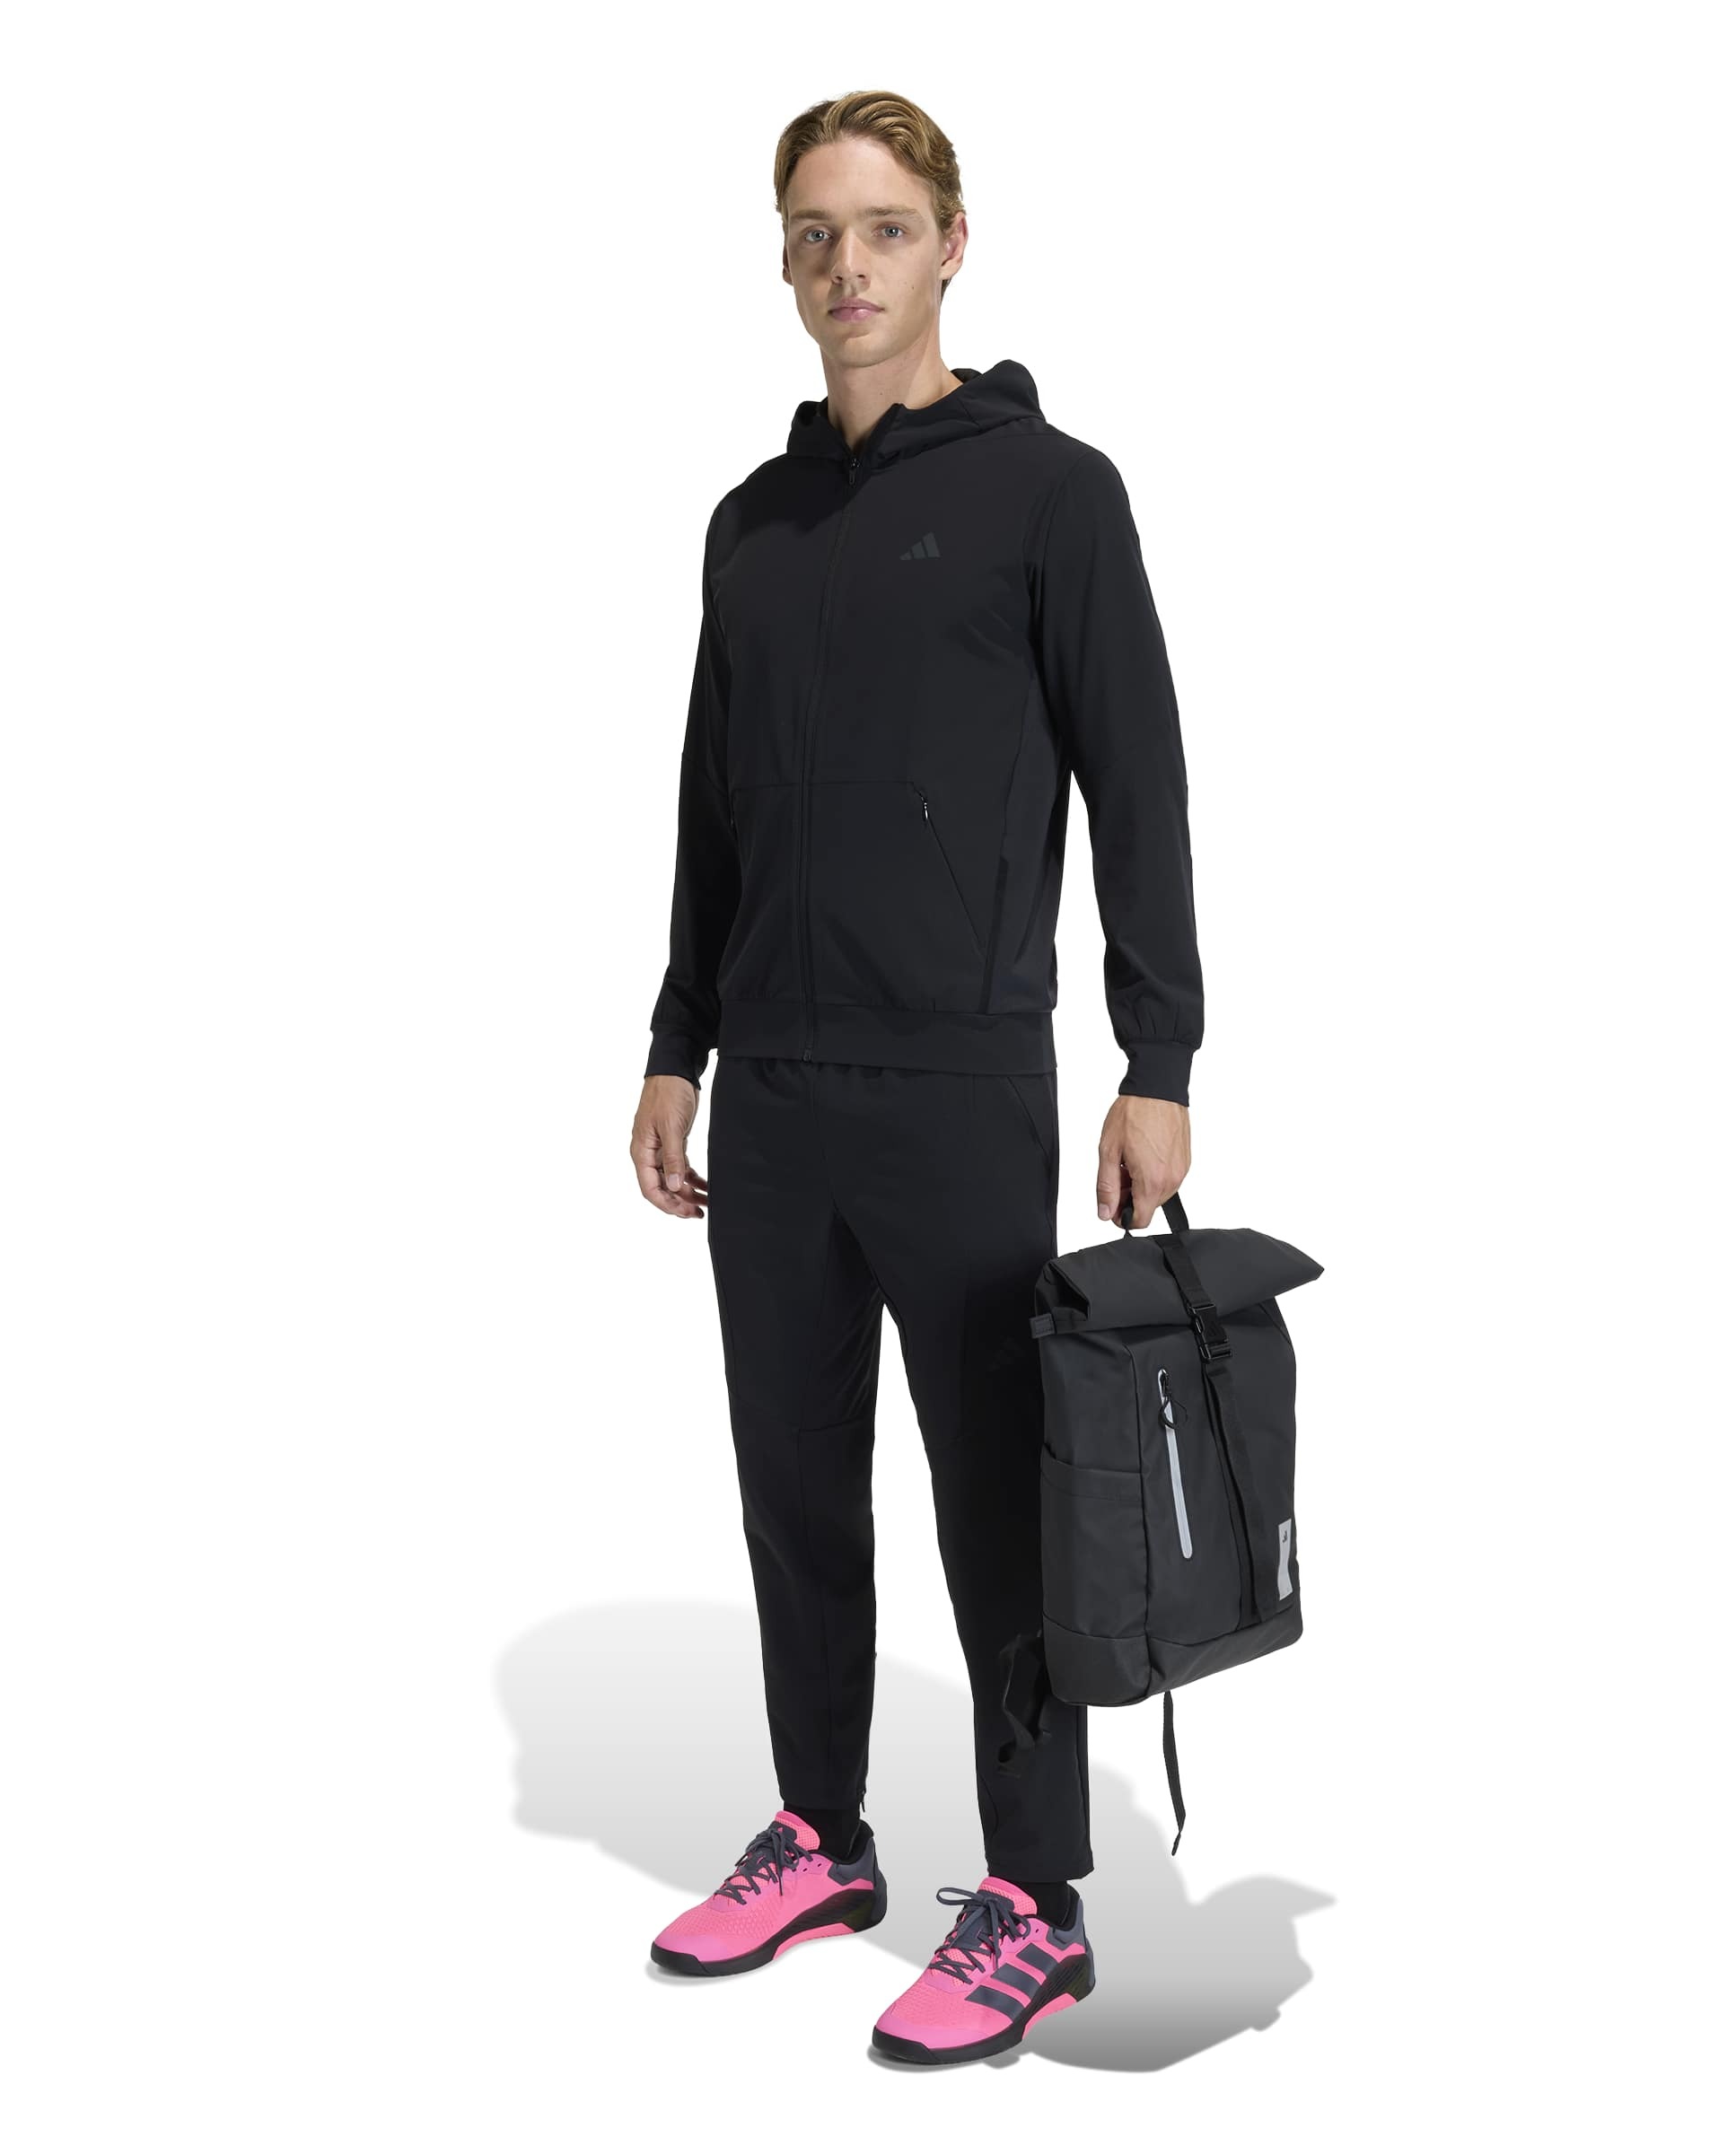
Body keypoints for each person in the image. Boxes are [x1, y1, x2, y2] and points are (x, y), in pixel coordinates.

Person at [628, 88, 1204, 2065]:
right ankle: (824, 1836)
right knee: (794, 1485)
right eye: (814, 232)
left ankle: (1035, 1900)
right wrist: (678, 1040)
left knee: (995, 1507)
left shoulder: (1055, 496)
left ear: (953, 244)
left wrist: (1157, 1052)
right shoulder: (754, 526)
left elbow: (1138, 777)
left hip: (960, 1081)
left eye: (882, 228)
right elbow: (711, 808)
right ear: (783, 263)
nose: (846, 265)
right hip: (776, 1091)